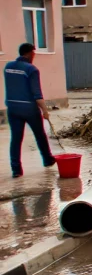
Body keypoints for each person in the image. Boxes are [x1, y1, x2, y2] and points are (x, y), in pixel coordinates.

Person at [4, 43, 55, 177]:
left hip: (12, 108)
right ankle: (48, 160)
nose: (34, 56)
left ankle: (16, 170)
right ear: (28, 53)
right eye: (33, 53)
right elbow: (37, 94)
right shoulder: (31, 69)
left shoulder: (8, 67)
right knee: (40, 135)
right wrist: (45, 111)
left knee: (16, 139)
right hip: (29, 109)